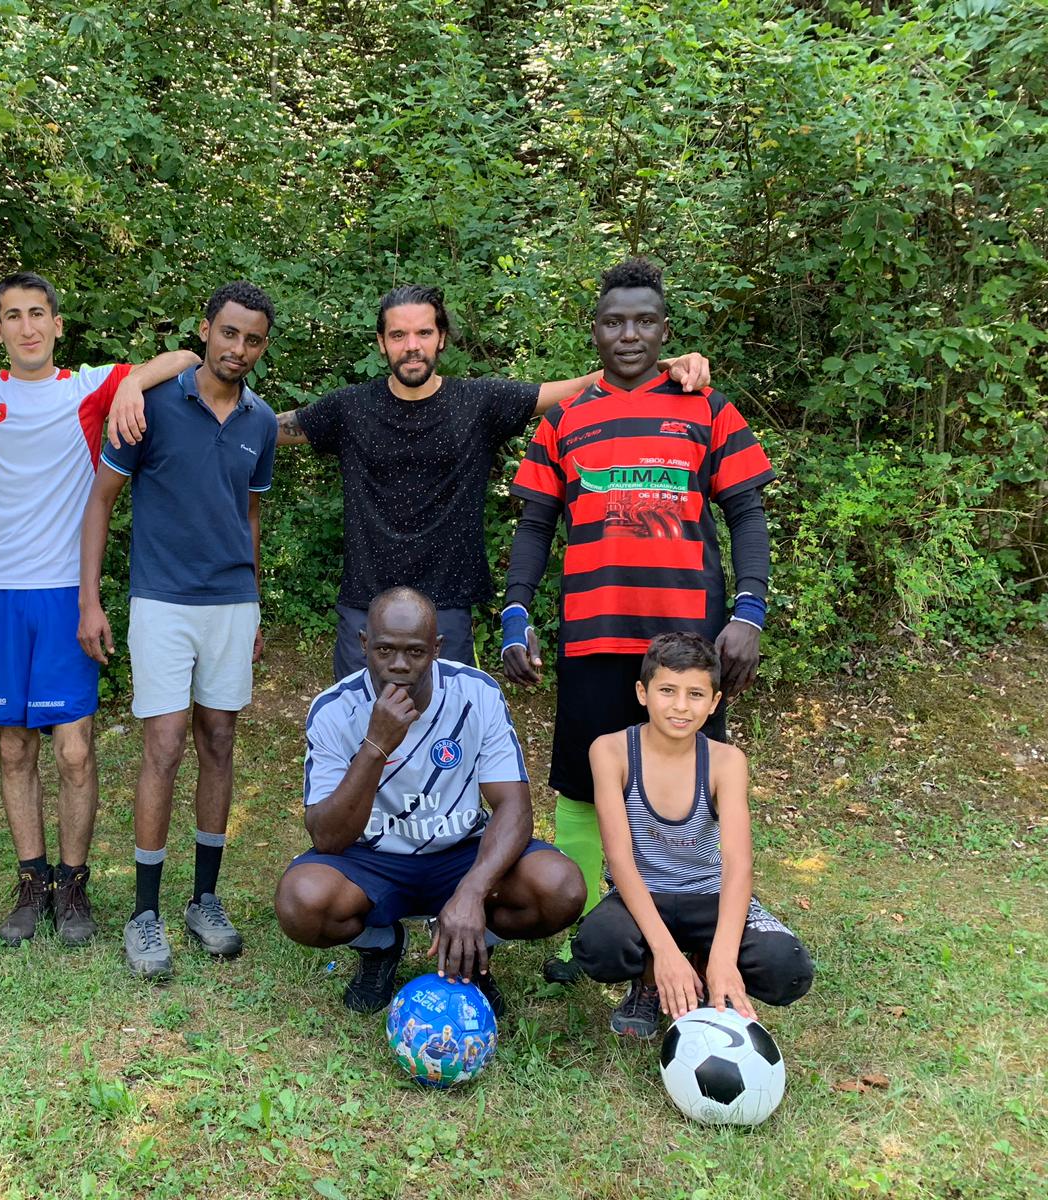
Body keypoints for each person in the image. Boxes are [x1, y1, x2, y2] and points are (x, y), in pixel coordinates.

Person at [500, 257, 776, 985]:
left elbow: (747, 512)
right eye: (614, 321)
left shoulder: (707, 407)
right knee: (585, 788)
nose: (629, 334)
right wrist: (515, 613)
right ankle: (585, 931)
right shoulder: (565, 419)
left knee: (687, 798)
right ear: (594, 330)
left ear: (664, 330)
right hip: (593, 633)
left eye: (644, 321)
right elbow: (535, 524)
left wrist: (750, 610)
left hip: (685, 644)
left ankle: (687, 934)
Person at [0, 272, 198, 948]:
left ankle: (74, 884)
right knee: (13, 748)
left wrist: (129, 382)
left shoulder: (84, 387)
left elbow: (184, 359)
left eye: (39, 313)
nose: (27, 326)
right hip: (1, 592)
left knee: (73, 752)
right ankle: (30, 879)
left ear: (57, 324)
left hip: (68, 592)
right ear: (0, 329)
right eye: (13, 316)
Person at [234, 284, 711, 679]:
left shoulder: (479, 402)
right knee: (362, 741)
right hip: (366, 605)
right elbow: (265, 431)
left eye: (424, 332)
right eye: (398, 335)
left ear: (442, 338)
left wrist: (657, 367)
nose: (412, 345)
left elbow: (568, 391)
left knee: (449, 747)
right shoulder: (349, 409)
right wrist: (203, 406)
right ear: (381, 343)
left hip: (449, 607)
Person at [79, 281, 279, 979]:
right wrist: (90, 602)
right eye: (229, 333)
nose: (238, 349)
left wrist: (254, 600)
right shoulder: (153, 403)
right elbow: (101, 502)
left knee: (219, 740)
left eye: (253, 339)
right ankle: (143, 912)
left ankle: (204, 900)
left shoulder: (263, 421)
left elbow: (250, 517)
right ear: (205, 330)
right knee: (163, 745)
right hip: (161, 601)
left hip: (232, 603)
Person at [273, 587, 586, 1015]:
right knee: (301, 901)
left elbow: (515, 808)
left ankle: (470, 949)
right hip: (372, 858)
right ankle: (382, 946)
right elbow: (328, 838)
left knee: (560, 887)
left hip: (460, 853)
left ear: (436, 648)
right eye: (384, 649)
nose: (399, 665)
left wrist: (473, 892)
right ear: (364, 644)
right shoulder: (334, 710)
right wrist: (375, 746)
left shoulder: (476, 694)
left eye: (415, 652)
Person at [571, 633, 813, 1036]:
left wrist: (723, 955)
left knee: (787, 967)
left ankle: (704, 964)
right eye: (667, 690)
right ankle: (649, 979)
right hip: (643, 896)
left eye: (696, 694)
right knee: (598, 944)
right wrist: (664, 953)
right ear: (642, 692)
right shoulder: (610, 752)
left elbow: (738, 866)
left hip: (708, 896)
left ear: (714, 702)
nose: (681, 706)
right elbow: (620, 861)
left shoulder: (726, 761)